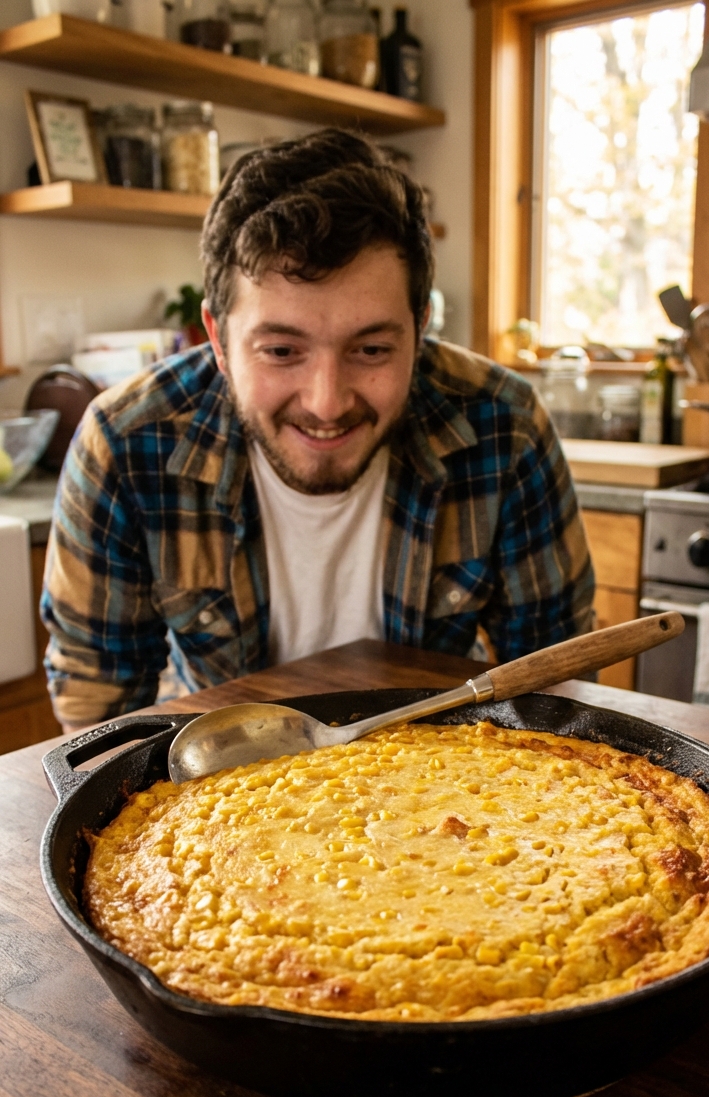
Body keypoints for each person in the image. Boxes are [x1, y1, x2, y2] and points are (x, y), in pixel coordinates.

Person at [42, 128, 594, 731]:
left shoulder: (504, 429)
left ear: (422, 327)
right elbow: (97, 712)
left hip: (449, 787)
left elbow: (555, 688)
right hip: (211, 796)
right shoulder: (124, 444)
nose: (327, 403)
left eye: (373, 349)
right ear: (219, 340)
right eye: (281, 350)